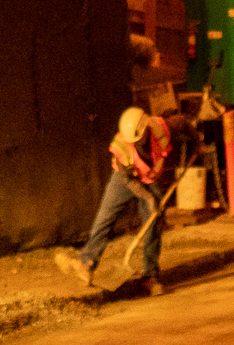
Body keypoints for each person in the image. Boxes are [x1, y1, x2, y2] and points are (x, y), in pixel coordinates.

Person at [56, 106, 176, 296]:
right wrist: (149, 197)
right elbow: (128, 180)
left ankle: (150, 277)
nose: (136, 142)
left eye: (140, 138)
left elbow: (184, 124)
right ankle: (86, 263)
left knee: (153, 224)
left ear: (146, 128)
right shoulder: (121, 145)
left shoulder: (161, 126)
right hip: (124, 179)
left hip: (150, 178)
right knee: (105, 217)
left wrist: (196, 143)